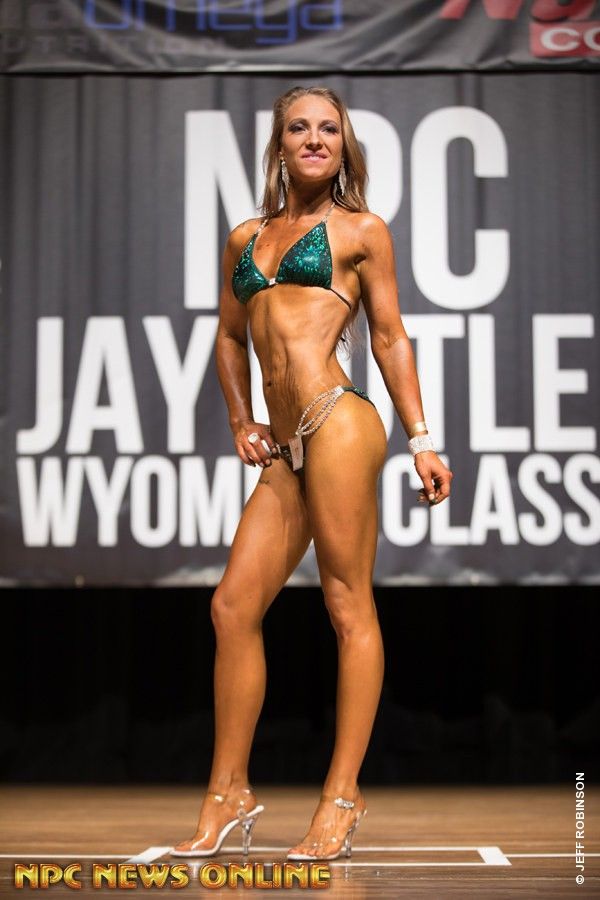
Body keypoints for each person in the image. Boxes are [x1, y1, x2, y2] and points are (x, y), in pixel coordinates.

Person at [171, 85, 453, 862]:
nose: (315, 138)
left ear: (344, 145)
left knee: (345, 604)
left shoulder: (362, 230)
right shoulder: (247, 237)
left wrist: (422, 439)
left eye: (329, 128)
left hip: (339, 420)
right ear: (280, 145)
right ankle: (228, 792)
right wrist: (241, 420)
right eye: (299, 128)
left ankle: (342, 796)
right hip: (286, 444)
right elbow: (229, 338)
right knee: (232, 607)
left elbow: (389, 337)